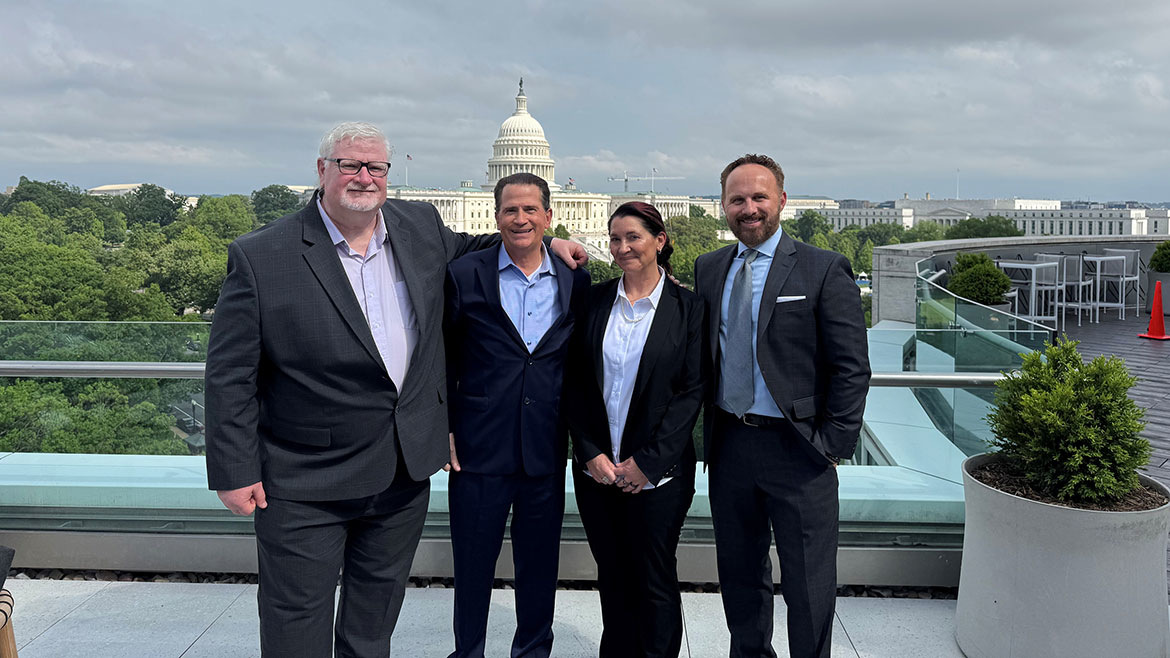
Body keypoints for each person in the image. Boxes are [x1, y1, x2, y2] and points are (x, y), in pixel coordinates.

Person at [204, 123, 585, 658]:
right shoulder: (262, 254)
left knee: (372, 625)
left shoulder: (418, 225)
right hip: (306, 476)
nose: (364, 177)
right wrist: (234, 469)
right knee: (297, 624)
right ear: (322, 170)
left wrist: (550, 243)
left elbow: (480, 248)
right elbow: (230, 373)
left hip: (401, 473)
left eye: (376, 167)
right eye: (350, 165)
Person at [693, 154, 870, 658]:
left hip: (799, 450)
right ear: (723, 206)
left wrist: (831, 445)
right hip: (730, 446)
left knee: (808, 584)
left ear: (782, 201)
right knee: (740, 576)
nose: (749, 208)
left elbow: (852, 366)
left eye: (759, 197)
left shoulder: (822, 268)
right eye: (737, 199)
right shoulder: (710, 268)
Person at [443, 172, 591, 658]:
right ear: (496, 216)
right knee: (472, 568)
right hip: (478, 448)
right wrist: (443, 426)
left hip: (544, 447)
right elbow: (442, 356)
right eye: (511, 210)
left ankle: (533, 652)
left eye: (530, 209)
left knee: (539, 568)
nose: (520, 219)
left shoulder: (574, 277)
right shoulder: (464, 274)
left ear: (548, 216)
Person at [567, 202, 705, 658]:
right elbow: (574, 382)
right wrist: (589, 451)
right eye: (615, 238)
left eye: (633, 237)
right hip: (597, 473)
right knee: (612, 578)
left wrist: (647, 463)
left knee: (654, 579)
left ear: (659, 241)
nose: (622, 247)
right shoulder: (592, 300)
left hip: (659, 477)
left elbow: (690, 393)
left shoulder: (688, 308)